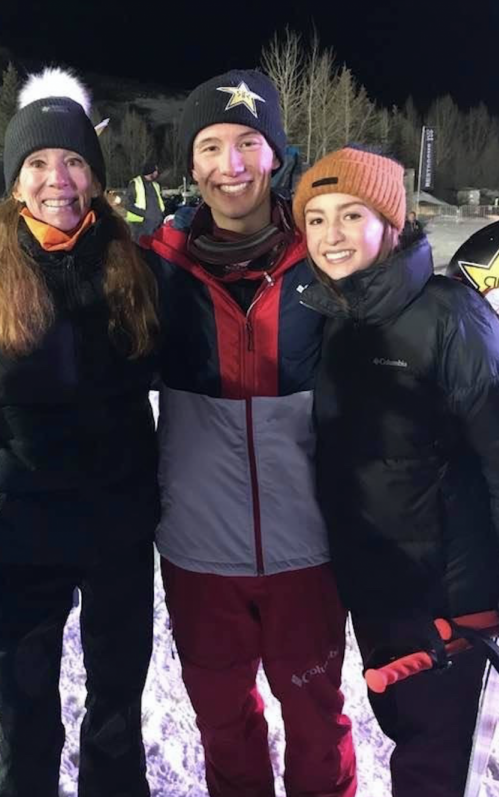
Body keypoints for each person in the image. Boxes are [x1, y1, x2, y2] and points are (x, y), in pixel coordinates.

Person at [0, 68, 160, 797]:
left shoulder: (129, 264)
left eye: (75, 160)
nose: (58, 179)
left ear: (96, 174)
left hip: (115, 536)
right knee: (27, 721)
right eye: (39, 163)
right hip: (17, 537)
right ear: (15, 179)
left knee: (116, 716)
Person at [142, 70, 356, 797]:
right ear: (191, 163)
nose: (229, 164)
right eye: (210, 145)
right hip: (201, 554)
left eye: (247, 143)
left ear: (276, 156)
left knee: (318, 721)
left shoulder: (324, 260)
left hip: (308, 548)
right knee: (224, 726)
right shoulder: (155, 269)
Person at [292, 145, 499, 797]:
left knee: (432, 769)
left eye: (350, 214)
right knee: (407, 740)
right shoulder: (338, 320)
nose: (330, 235)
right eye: (315, 219)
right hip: (378, 598)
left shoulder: (453, 320)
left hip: (450, 604)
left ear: (391, 222)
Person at [125, 161, 165, 240]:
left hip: (156, 224)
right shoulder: (135, 184)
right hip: (140, 225)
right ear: (151, 172)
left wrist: (161, 214)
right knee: (140, 249)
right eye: (156, 171)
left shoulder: (156, 185)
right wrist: (145, 213)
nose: (157, 173)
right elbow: (128, 205)